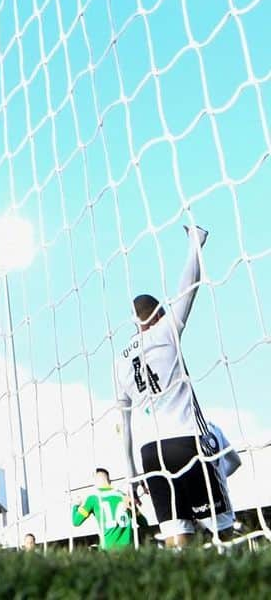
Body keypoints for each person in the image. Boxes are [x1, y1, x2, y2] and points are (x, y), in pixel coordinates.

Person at [116, 225, 231, 548]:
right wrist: (197, 243)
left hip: (150, 454)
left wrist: (131, 475)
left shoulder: (119, 361)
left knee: (175, 537)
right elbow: (188, 288)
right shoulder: (166, 330)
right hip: (185, 442)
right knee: (223, 529)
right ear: (158, 314)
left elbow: (122, 425)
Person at [71, 467, 144, 549]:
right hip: (129, 550)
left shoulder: (93, 499)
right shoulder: (124, 497)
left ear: (95, 482)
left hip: (108, 551)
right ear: (109, 481)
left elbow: (76, 522)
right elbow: (143, 522)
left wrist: (75, 505)